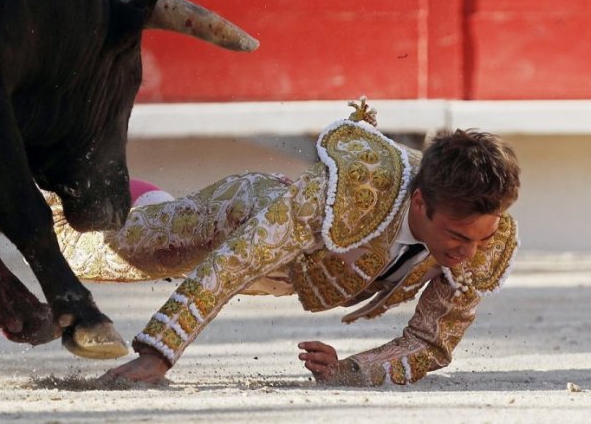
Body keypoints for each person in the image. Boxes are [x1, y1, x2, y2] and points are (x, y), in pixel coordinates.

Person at [46, 98, 520, 387]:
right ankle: (44, 178)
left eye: (484, 237)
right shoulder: (354, 189)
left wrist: (350, 371)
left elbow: (430, 342)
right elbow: (236, 261)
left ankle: (151, 202)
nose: (469, 253)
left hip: (287, 274)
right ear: (419, 204)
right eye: (458, 237)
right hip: (242, 217)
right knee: (99, 251)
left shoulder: (485, 240)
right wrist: (159, 353)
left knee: (151, 255)